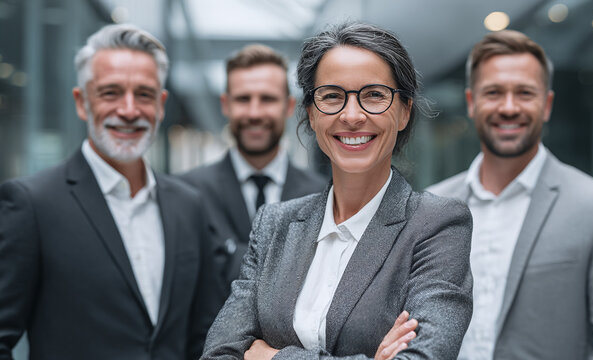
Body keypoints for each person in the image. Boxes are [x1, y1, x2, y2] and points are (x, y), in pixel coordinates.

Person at [201, 22, 473, 360]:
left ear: (404, 111)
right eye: (332, 96)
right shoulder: (276, 224)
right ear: (311, 115)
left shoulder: (437, 225)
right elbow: (218, 353)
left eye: (374, 95)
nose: (352, 115)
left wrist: (271, 357)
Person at [0, 24, 221, 359]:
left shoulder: (188, 205)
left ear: (161, 105)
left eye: (144, 94)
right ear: (81, 102)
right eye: (110, 93)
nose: (129, 110)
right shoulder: (32, 203)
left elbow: (206, 333)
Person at [427, 30, 593, 359]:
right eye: (494, 92)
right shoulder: (432, 206)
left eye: (525, 93)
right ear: (472, 103)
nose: (509, 107)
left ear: (547, 104)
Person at [180, 44, 326, 301]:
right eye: (243, 99)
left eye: (267, 99)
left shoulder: (323, 195)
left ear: (289, 106)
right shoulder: (188, 194)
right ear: (225, 104)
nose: (255, 112)